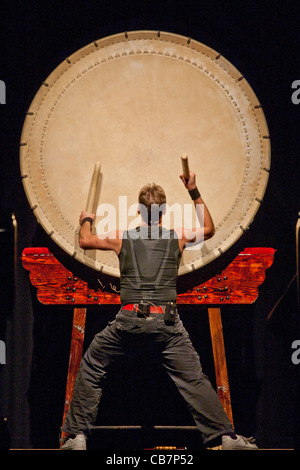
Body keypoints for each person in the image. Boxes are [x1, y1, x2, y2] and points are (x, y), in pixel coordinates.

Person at [61, 171, 257, 450]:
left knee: (93, 364)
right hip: (167, 323)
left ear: (139, 211)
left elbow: (85, 240)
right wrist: (193, 190)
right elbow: (210, 229)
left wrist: (87, 219)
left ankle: (78, 436)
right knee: (194, 380)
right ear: (164, 211)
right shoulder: (176, 237)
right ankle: (226, 437)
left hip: (128, 320)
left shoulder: (122, 238)